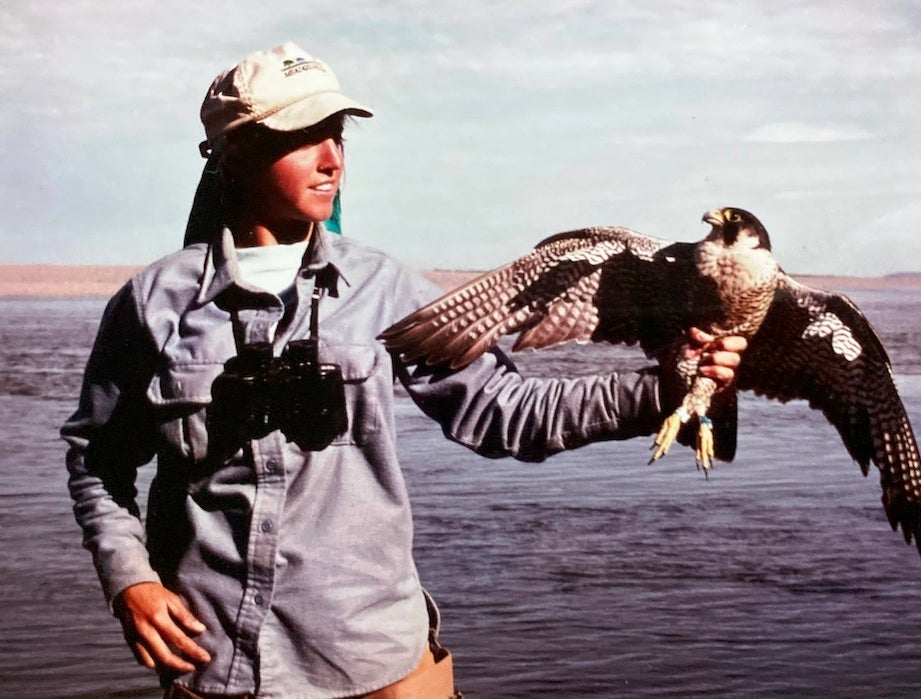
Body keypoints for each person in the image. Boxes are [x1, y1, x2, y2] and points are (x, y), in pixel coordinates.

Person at [62, 42, 746, 699]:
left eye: (339, 135)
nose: (333, 159)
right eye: (306, 136)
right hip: (219, 666)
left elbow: (505, 411)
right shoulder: (153, 304)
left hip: (378, 663)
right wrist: (131, 580)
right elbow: (99, 459)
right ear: (234, 153)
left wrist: (667, 387)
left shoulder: (385, 291)